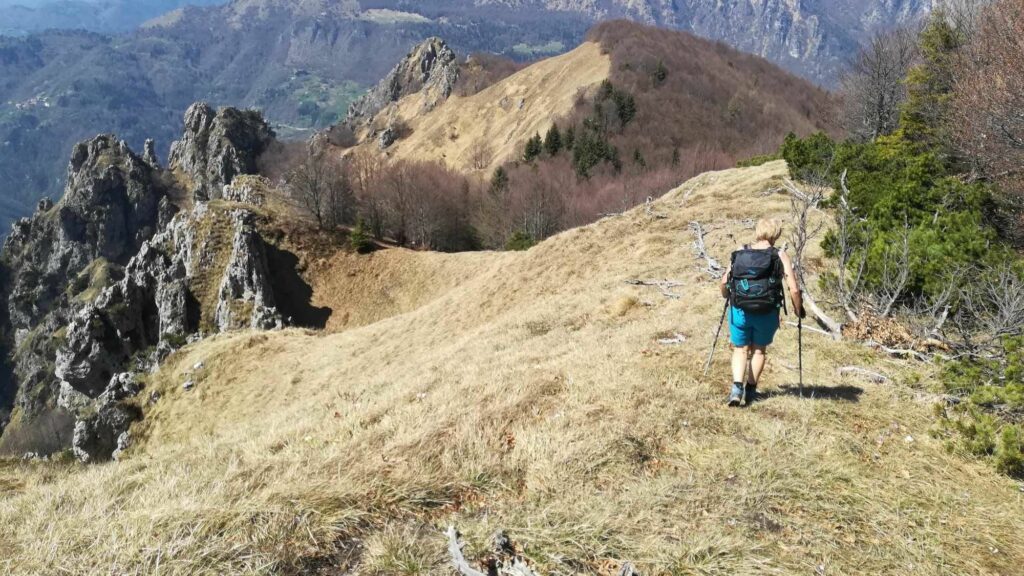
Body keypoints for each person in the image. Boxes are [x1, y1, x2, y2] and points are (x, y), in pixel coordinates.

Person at [718, 218, 804, 406]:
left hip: (740, 310)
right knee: (758, 351)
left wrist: (727, 296)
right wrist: (798, 310)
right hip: (767, 311)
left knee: (740, 349)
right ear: (776, 234)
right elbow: (794, 289)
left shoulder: (740, 251)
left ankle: (736, 389)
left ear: (758, 231)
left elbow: (725, 281)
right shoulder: (779, 255)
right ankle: (750, 390)